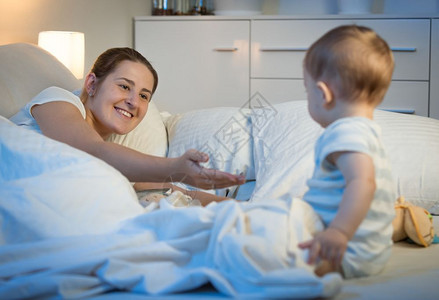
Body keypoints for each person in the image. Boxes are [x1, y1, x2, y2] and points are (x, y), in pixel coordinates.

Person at [10, 47, 245, 205]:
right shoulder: (57, 100)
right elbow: (91, 151)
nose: (134, 102)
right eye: (124, 86)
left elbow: (178, 191)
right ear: (92, 84)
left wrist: (244, 208)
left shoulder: (115, 149)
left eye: (144, 96)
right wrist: (177, 166)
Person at [297, 25, 397, 278]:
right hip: (370, 250)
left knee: (265, 243)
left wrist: (339, 232)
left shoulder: (344, 132)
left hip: (340, 248)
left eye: (307, 91)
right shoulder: (368, 132)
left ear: (323, 94)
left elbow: (363, 183)